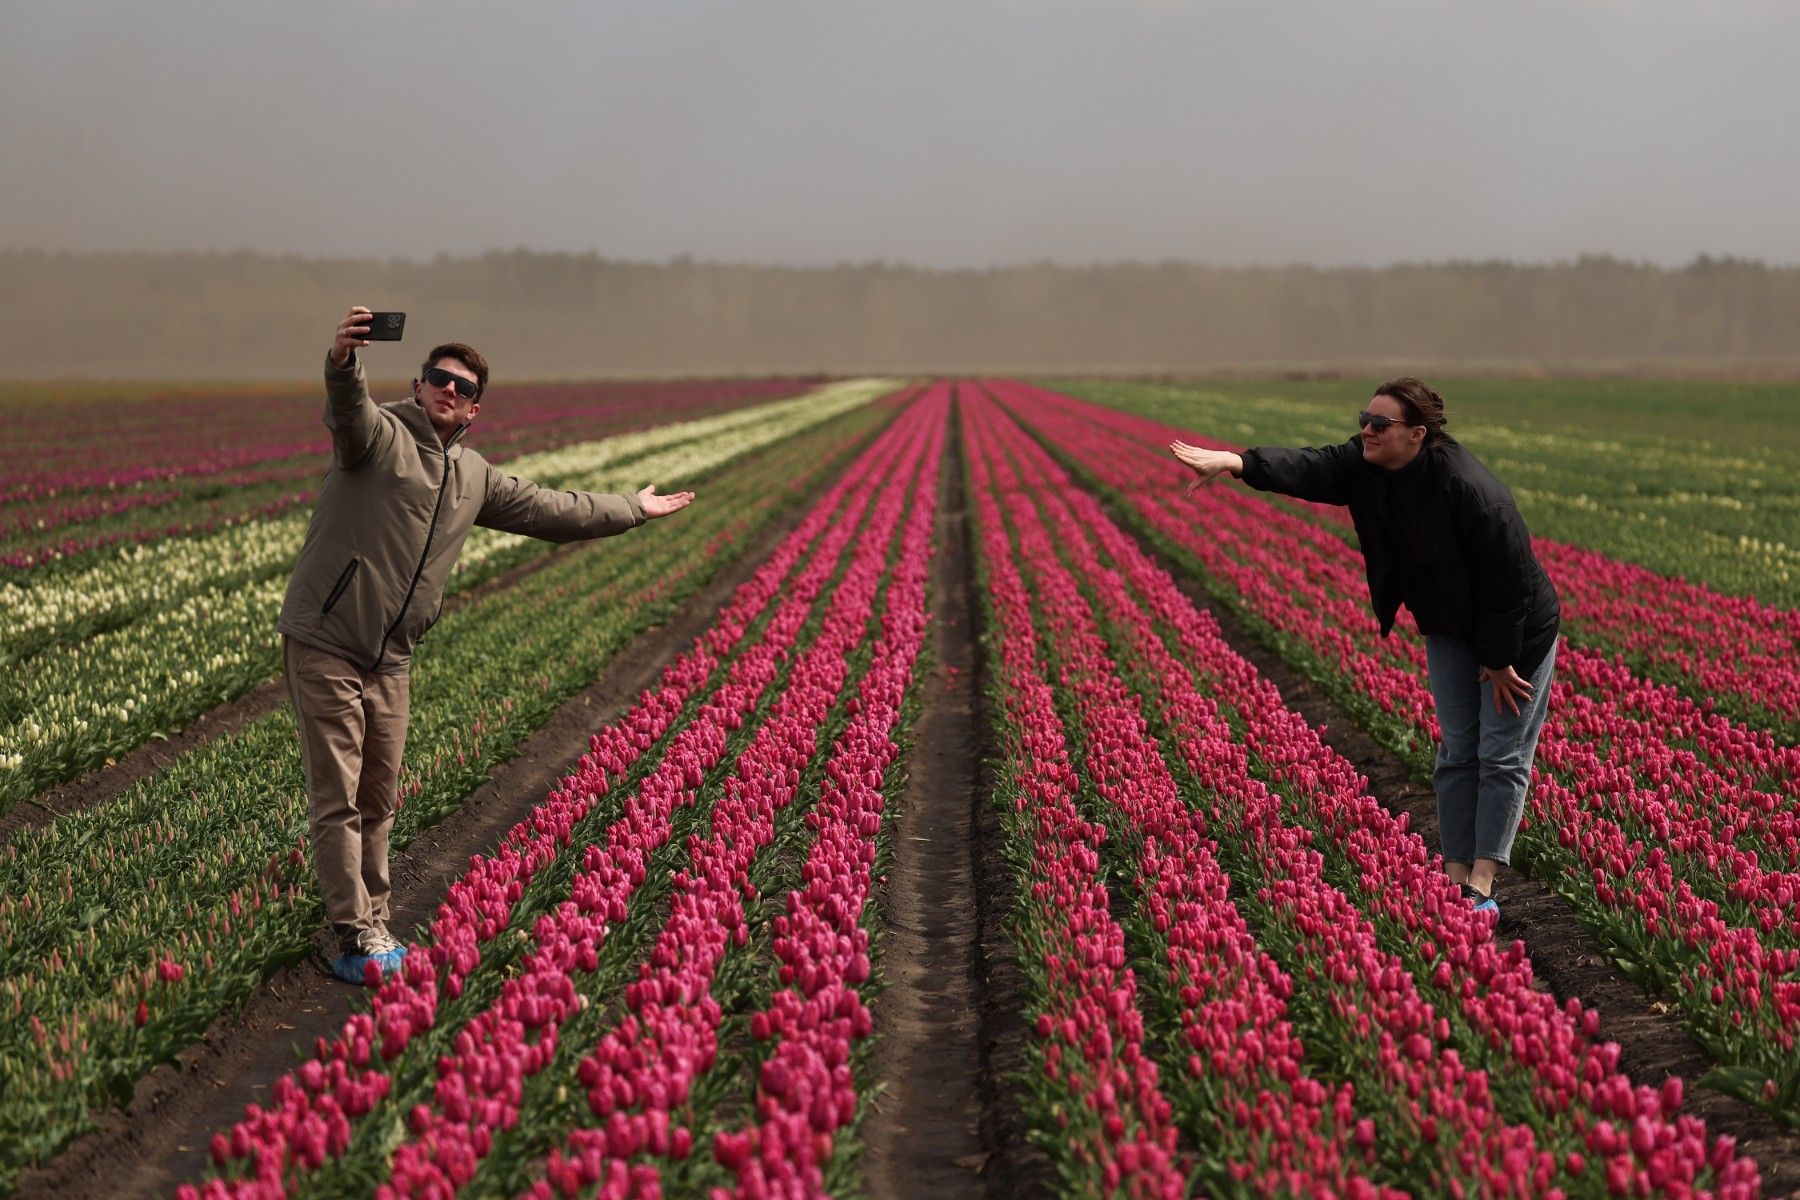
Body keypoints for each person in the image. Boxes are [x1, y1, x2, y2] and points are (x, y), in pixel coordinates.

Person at [279, 307, 695, 984]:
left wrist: (630, 509)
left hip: (392, 657)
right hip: (327, 641)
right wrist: (343, 360)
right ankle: (355, 939)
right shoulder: (377, 438)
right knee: (339, 796)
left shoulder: (472, 477)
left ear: (474, 411)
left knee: (378, 799)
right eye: (439, 379)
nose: (450, 390)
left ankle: (375, 923)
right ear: (417, 386)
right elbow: (346, 410)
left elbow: (552, 510)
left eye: (464, 388)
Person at [1169, 377, 1559, 921]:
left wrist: (1497, 660)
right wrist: (1239, 463)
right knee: (1456, 749)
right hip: (1448, 623)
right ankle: (1453, 877)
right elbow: (1311, 467)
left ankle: (1483, 884)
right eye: (1363, 420)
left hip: (1515, 631)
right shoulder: (1366, 464)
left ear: (1417, 434)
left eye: (1380, 424)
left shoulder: (1471, 491)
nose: (1366, 432)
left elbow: (1509, 584)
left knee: (1500, 752)